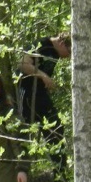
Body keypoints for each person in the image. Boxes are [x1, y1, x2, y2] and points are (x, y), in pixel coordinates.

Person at [16, 32, 71, 166]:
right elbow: (22, 63)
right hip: (25, 91)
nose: (69, 56)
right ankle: (22, 170)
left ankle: (60, 173)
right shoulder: (41, 45)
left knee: (55, 127)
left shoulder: (56, 53)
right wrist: (42, 75)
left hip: (41, 94)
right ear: (62, 44)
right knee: (24, 131)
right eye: (69, 52)